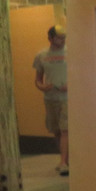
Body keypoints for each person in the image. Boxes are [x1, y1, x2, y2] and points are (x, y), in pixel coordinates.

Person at [34, 25, 68, 176]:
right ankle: (65, 159)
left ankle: (63, 162)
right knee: (56, 130)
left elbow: (81, 73)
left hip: (67, 98)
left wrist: (71, 85)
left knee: (65, 129)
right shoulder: (41, 55)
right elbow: (38, 79)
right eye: (59, 38)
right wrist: (42, 87)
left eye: (64, 37)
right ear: (50, 38)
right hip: (50, 98)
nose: (62, 40)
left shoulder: (71, 52)